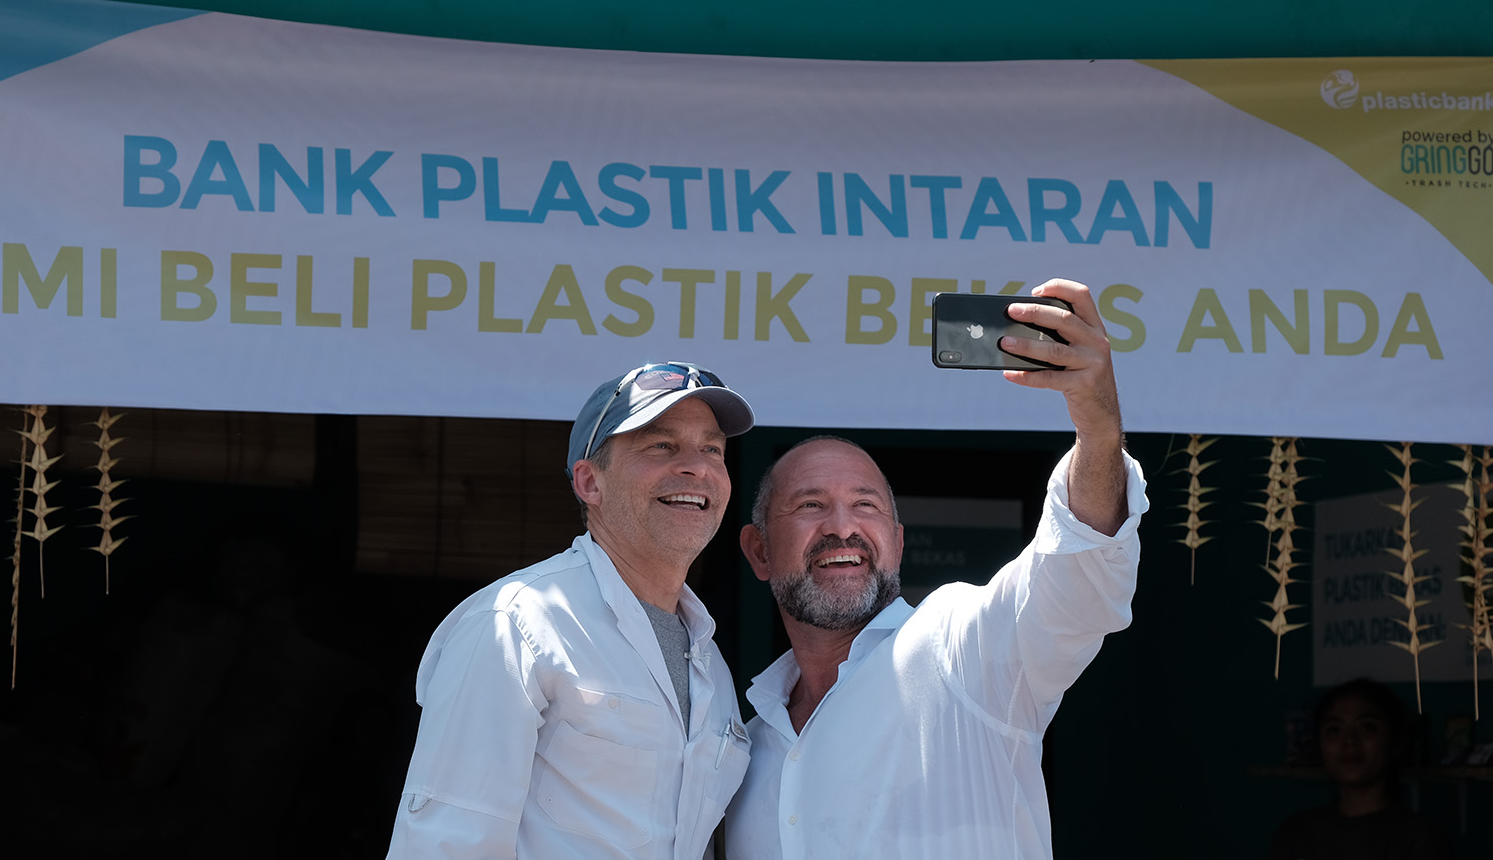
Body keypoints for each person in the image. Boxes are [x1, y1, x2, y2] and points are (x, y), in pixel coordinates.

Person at [724, 278, 1147, 860]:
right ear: (759, 551)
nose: (841, 527)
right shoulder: (743, 752)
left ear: (896, 544)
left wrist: (1097, 432)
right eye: (810, 505)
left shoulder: (961, 648)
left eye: (866, 505)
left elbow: (1076, 577)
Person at [387, 361, 756, 860]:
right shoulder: (516, 624)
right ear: (590, 483)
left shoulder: (709, 661)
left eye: (712, 448)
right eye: (661, 445)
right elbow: (446, 842)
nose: (698, 466)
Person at [1266, 678, 1454, 860]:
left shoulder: (1420, 840)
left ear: (1395, 740)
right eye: (1334, 729)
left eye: (1367, 727)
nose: (1349, 740)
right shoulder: (1295, 835)